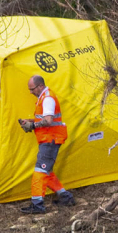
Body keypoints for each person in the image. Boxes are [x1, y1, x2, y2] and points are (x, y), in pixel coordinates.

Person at [18, 74, 75, 213]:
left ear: (41, 86)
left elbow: (48, 121)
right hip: (49, 139)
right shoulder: (44, 97)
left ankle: (37, 205)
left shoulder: (47, 98)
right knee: (47, 171)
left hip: (50, 139)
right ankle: (66, 198)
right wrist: (31, 121)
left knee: (40, 171)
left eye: (32, 89)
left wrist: (32, 126)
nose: (31, 92)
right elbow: (44, 119)